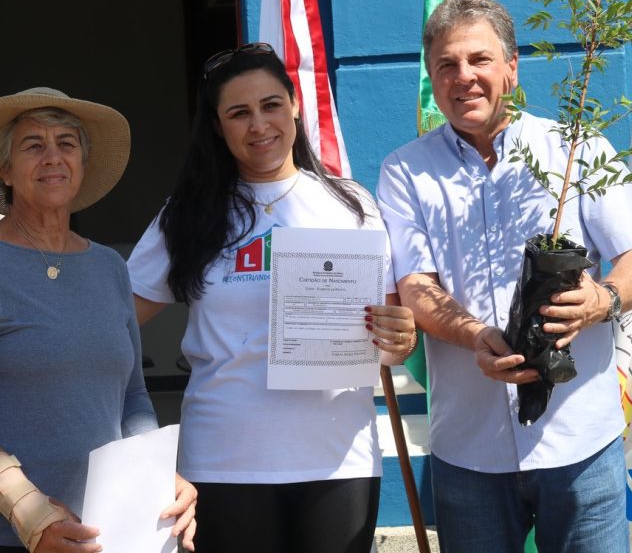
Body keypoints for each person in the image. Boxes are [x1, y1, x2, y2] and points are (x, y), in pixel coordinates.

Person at [126, 42, 417, 553]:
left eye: (271, 105)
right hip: (223, 460)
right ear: (217, 127)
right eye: (239, 113)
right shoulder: (188, 215)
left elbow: (389, 337)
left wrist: (401, 339)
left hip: (338, 458)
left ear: (295, 106)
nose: (259, 124)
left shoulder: (352, 204)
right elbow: (115, 325)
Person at [377, 0, 632, 553]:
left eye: (480, 59)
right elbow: (416, 287)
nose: (464, 77)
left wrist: (603, 300)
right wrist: (476, 334)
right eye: (446, 64)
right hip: (470, 449)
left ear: (512, 69)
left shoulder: (575, 148)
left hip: (580, 441)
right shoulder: (406, 171)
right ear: (432, 79)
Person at [0, 88, 196, 553]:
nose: (53, 157)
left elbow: (133, 397)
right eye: (33, 145)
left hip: (112, 533)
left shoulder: (108, 267)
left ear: (82, 164)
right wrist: (26, 510)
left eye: (66, 143)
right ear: (4, 170)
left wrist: (157, 475)